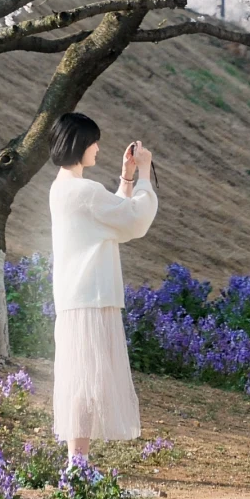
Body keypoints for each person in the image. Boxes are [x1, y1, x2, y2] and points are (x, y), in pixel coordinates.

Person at [48, 111, 157, 465]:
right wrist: (144, 175)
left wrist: (125, 178)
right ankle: (77, 466)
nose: (97, 148)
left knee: (80, 380)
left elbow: (111, 218)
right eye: (93, 142)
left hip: (77, 295)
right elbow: (134, 220)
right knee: (86, 383)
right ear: (80, 144)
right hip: (92, 296)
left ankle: (77, 463)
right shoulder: (85, 192)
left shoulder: (63, 188)